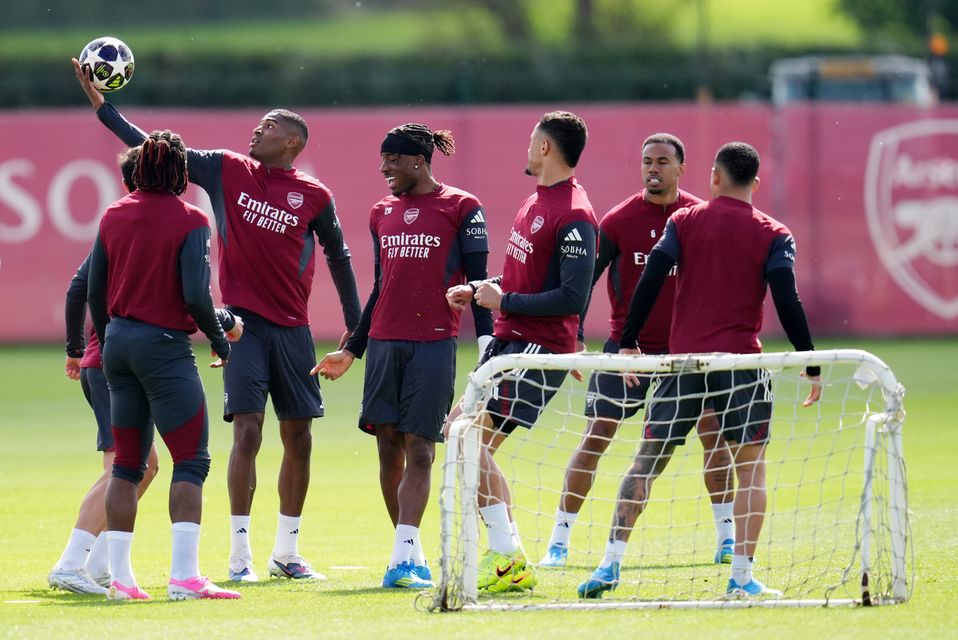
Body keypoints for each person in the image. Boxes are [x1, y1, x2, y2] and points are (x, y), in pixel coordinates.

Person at [73, 59, 362, 583]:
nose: (257, 130)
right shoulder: (227, 168)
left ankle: (287, 552)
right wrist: (103, 107)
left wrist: (352, 328)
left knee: (299, 436)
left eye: (269, 126)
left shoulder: (315, 196)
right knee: (246, 431)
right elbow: (155, 148)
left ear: (293, 142)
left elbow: (339, 258)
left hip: (294, 329)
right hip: (243, 325)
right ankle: (240, 555)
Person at [577, 141, 822, 599]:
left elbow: (651, 279)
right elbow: (787, 299)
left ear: (713, 177)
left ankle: (609, 565)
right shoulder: (774, 232)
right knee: (750, 470)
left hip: (681, 362)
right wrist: (809, 361)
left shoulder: (684, 221)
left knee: (645, 463)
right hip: (742, 367)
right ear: (755, 182)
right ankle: (741, 577)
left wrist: (628, 341)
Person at [539, 134, 735, 570]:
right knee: (595, 437)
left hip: (687, 354)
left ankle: (726, 538)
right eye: (647, 161)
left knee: (713, 438)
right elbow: (584, 279)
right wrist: (572, 333)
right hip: (626, 350)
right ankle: (559, 540)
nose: (653, 169)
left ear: (681, 168)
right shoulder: (620, 219)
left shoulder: (698, 218)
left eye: (663, 162)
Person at [313, 123, 493, 589]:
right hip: (386, 344)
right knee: (387, 446)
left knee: (421, 450)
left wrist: (488, 343)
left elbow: (482, 282)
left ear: (419, 160)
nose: (384, 168)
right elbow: (381, 287)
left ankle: (400, 560)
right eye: (382, 159)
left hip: (433, 342)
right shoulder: (381, 212)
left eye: (392, 159)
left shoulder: (463, 207)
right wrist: (353, 348)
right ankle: (409, 553)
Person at [445, 111, 598, 592]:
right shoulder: (537, 200)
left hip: (536, 348)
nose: (526, 148)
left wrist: (504, 301)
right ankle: (507, 556)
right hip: (511, 341)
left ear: (547, 148)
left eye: (532, 140)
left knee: (464, 439)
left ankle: (509, 558)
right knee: (463, 441)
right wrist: (482, 288)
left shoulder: (574, 214)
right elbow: (522, 279)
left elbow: (573, 298)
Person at [88, 130, 242, 600]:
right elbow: (196, 296)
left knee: (127, 465)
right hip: (164, 348)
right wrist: (220, 340)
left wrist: (111, 335)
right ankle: (184, 578)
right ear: (179, 172)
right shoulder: (191, 220)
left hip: (117, 343)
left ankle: (121, 581)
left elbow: (96, 290)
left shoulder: (114, 213)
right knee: (191, 461)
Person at [48, 148, 161, 596]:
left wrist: (77, 348)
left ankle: (93, 564)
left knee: (142, 466)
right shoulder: (136, 227)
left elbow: (78, 290)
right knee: (127, 466)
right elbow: (80, 292)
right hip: (115, 363)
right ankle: (71, 564)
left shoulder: (119, 225)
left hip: (107, 361)